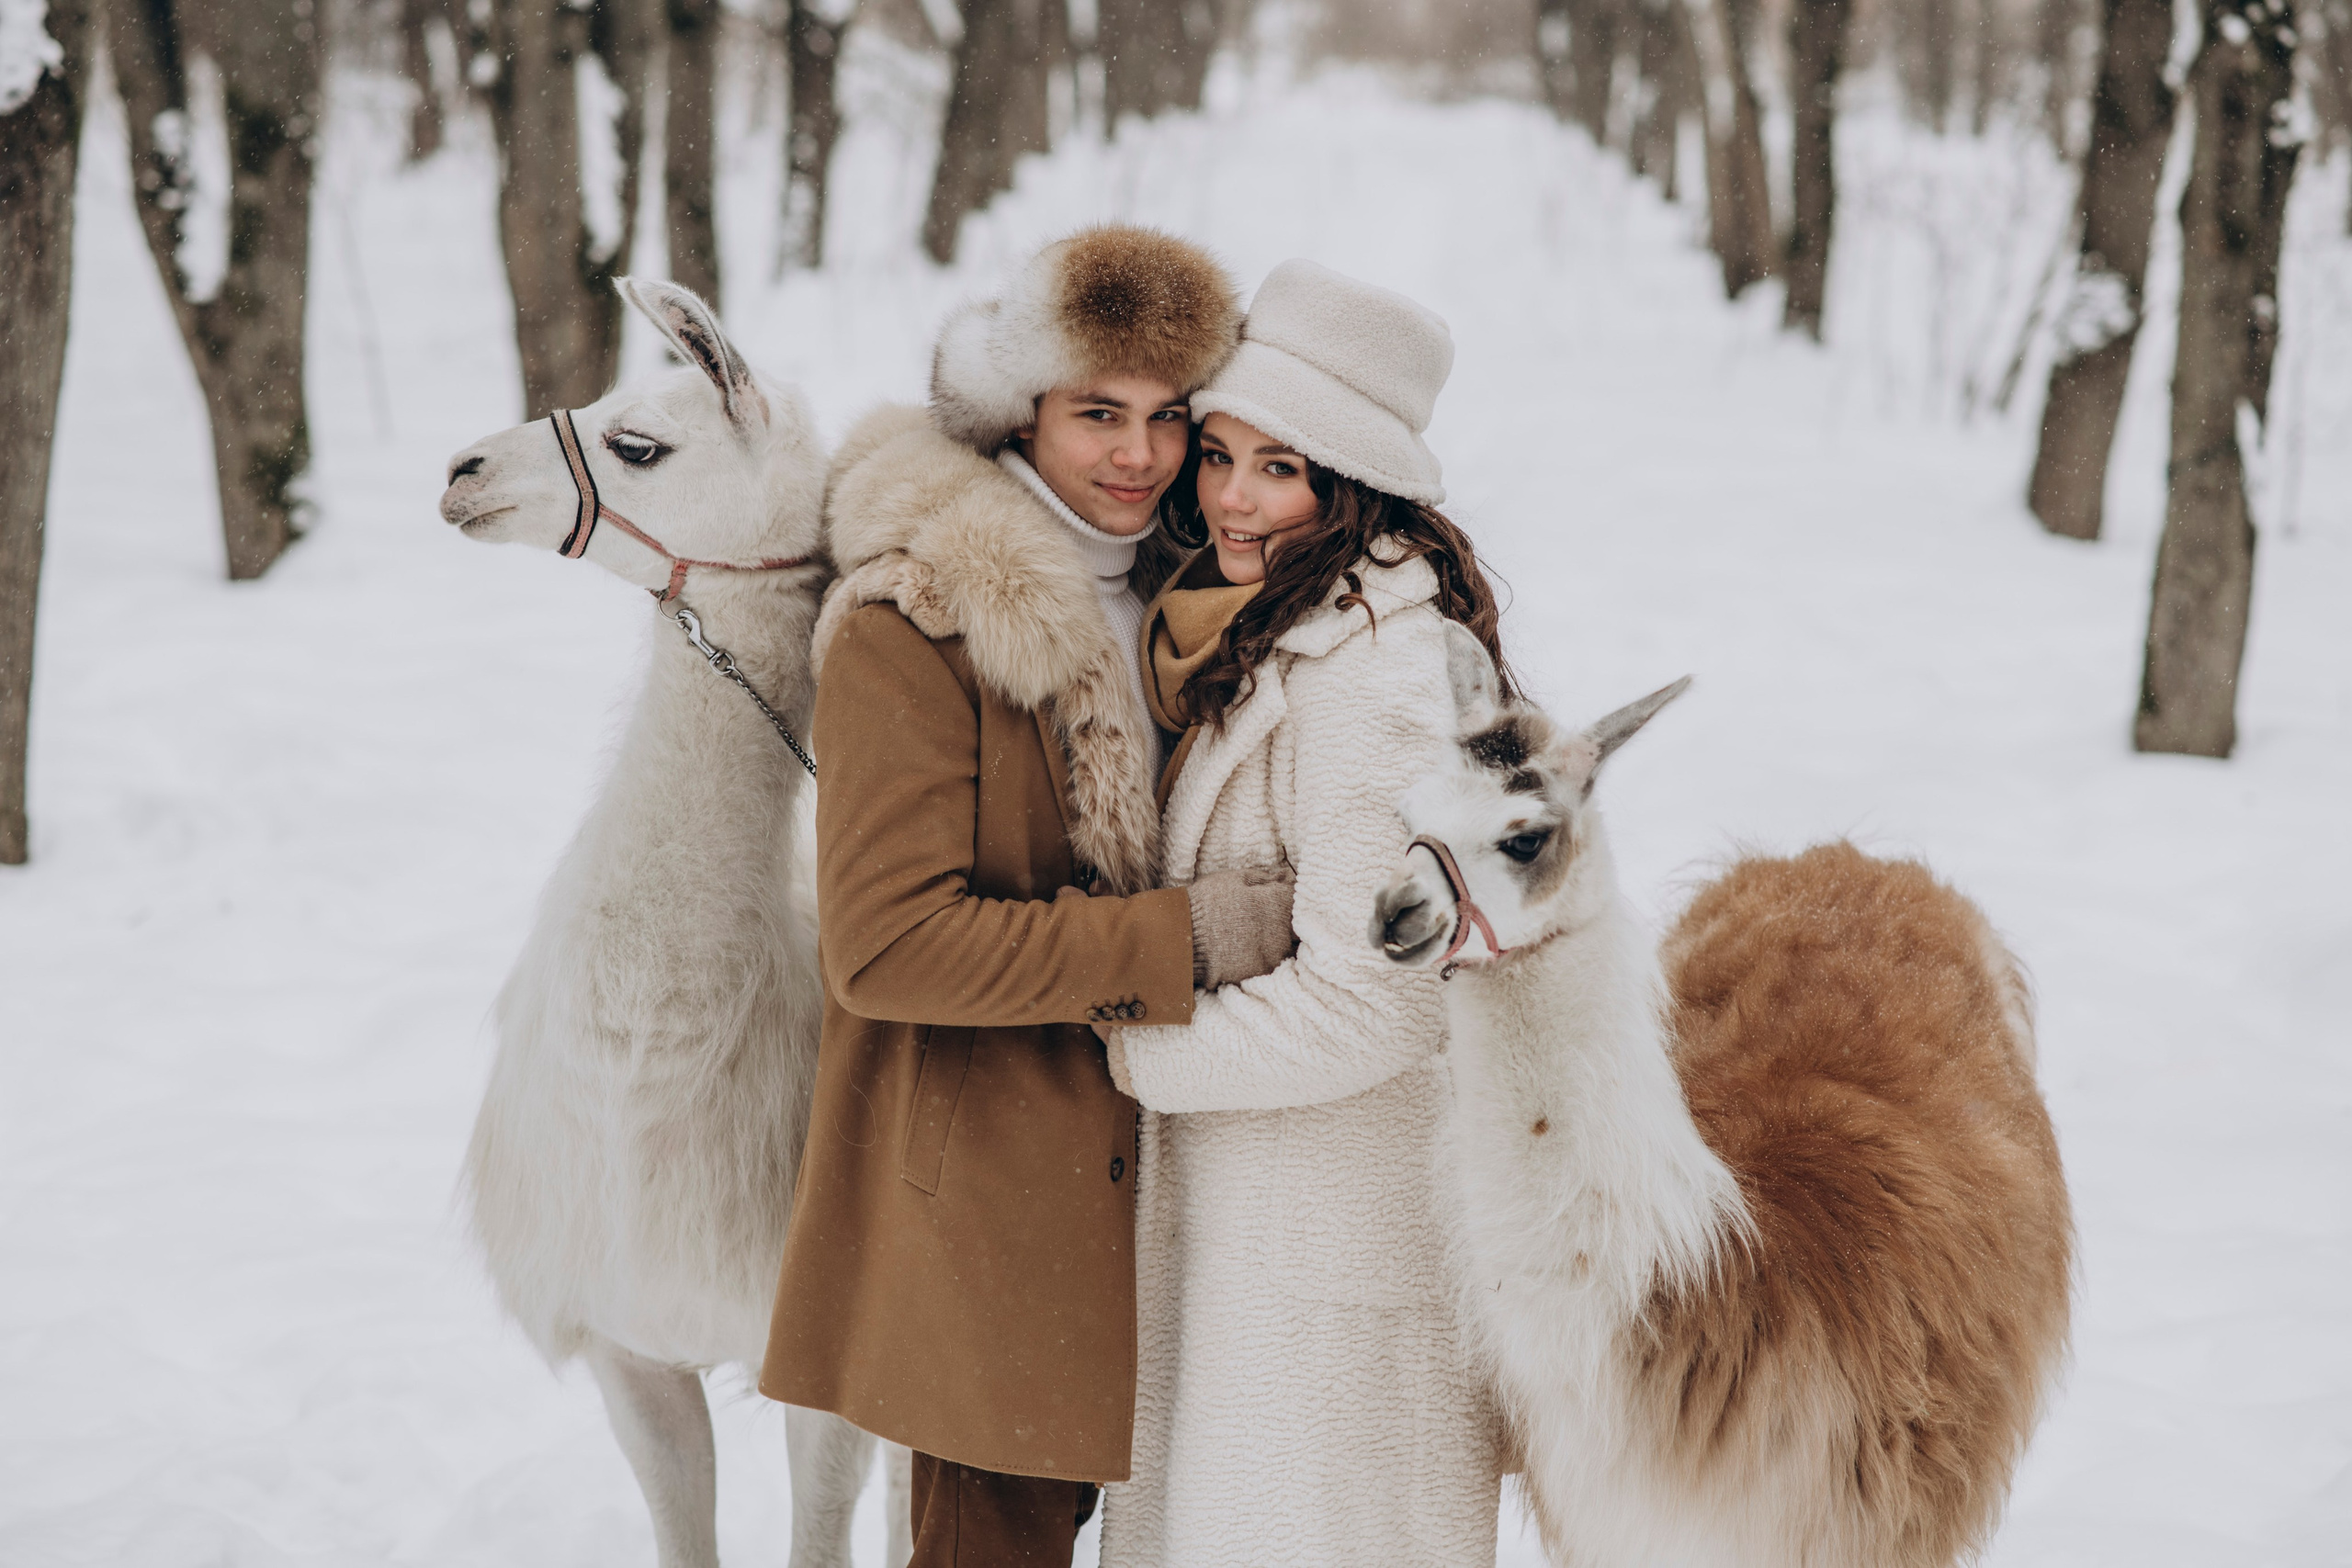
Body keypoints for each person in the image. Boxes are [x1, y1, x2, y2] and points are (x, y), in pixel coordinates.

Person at [757, 226, 1299, 1568]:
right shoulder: (916, 619)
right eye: (1096, 414)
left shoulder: (1197, 587)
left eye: (1172, 418)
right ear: (1022, 410)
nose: (1139, 456)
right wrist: (1186, 940)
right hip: (993, 1222)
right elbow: (888, 948)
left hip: (1186, 1199)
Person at [1097, 259, 1513, 1565]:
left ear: (1349, 484)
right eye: (1219, 453)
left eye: (1279, 467)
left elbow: (1378, 997)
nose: (1229, 495)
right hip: (1269, 1233)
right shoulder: (1274, 624)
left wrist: (1132, 1053)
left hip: (1336, 1256)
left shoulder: (1374, 671)